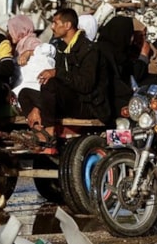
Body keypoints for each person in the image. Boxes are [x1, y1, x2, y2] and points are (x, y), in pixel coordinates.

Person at [17, 8, 110, 144]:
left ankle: (49, 133)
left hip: (87, 104)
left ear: (67, 25)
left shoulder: (89, 50)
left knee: (51, 84)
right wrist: (37, 108)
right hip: (67, 99)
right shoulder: (61, 47)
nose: (52, 27)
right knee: (24, 93)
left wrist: (56, 72)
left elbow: (86, 85)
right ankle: (39, 130)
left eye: (55, 23)